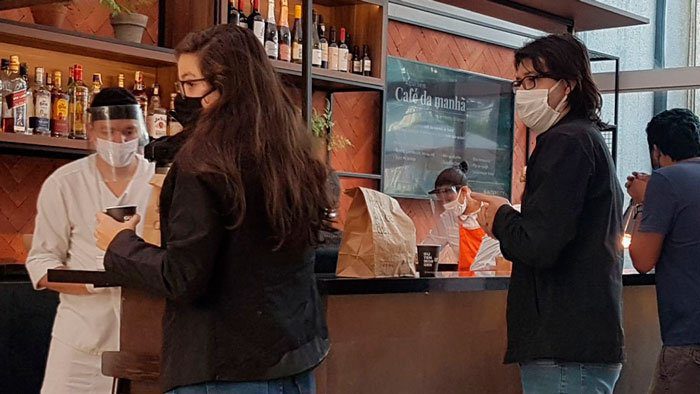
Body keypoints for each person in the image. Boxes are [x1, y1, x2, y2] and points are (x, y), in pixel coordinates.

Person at [94, 24, 332, 394]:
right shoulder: (296, 158)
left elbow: (183, 277)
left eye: (191, 83)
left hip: (221, 368)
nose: (185, 96)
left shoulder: (205, 163)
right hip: (294, 363)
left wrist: (120, 244)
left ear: (227, 82)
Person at [471, 33, 625, 393]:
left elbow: (540, 244)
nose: (523, 91)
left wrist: (501, 217)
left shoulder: (566, 141)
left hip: (565, 345)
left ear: (567, 85)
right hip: (580, 343)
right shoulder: (585, 138)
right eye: (519, 82)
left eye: (533, 80)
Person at [25, 88, 154, 394]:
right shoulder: (64, 183)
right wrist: (93, 282)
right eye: (109, 132)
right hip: (80, 344)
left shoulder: (158, 181)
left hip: (144, 342)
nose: (120, 141)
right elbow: (41, 262)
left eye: (128, 132)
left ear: (141, 131)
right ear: (93, 132)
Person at [626, 108, 700, 393]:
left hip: (689, 337)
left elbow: (642, 260)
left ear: (656, 151)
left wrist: (643, 201)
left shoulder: (666, 181)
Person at [423, 162, 492, 271]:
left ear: (464, 191)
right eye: (442, 201)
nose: (446, 205)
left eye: (449, 200)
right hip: (464, 282)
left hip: (494, 280)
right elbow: (428, 248)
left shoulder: (490, 212)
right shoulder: (447, 219)